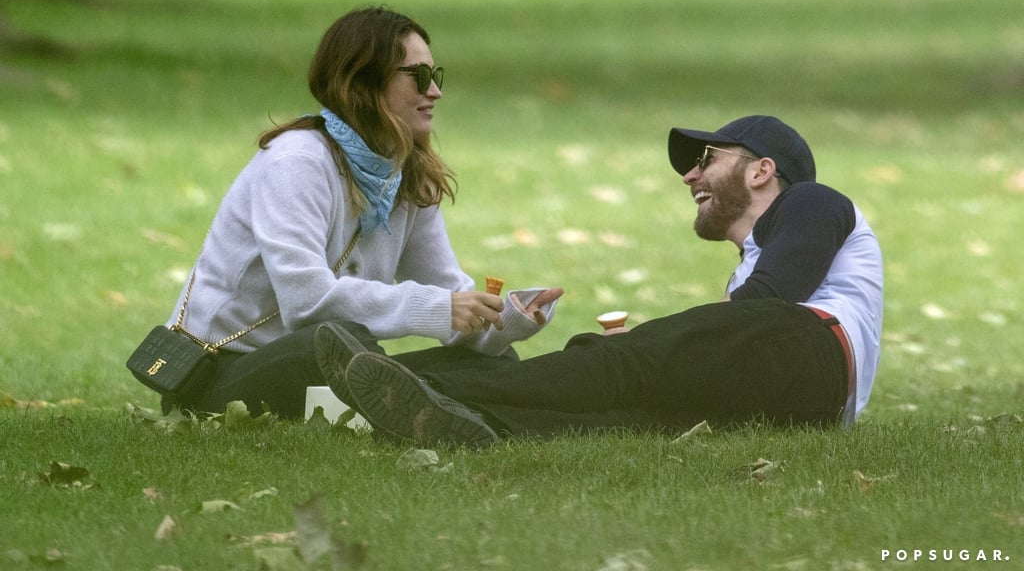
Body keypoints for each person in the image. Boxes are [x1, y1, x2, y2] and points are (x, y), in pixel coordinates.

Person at [319, 115, 883, 446]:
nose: (689, 175)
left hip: (818, 356)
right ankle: (459, 421)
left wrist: (646, 352)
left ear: (761, 170)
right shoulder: (751, 265)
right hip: (807, 404)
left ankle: (414, 389)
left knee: (616, 364)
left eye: (707, 158)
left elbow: (770, 307)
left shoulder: (814, 202)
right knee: (624, 416)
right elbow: (746, 326)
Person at [147, 6, 563, 418]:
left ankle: (418, 409)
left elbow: (451, 298)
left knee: (496, 363)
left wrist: (509, 317)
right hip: (221, 375)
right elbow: (306, 305)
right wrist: (438, 307)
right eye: (418, 76)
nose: (434, 91)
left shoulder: (406, 172)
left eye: (435, 76)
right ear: (362, 81)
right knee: (336, 340)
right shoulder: (296, 162)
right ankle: (416, 405)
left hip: (325, 363)